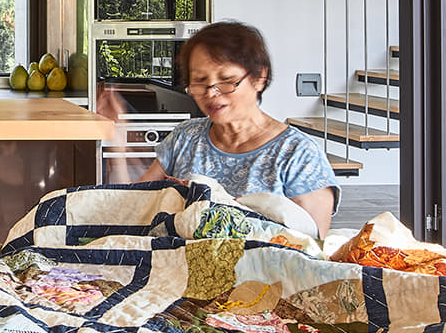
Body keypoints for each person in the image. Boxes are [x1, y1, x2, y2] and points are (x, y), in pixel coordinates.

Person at [137, 20, 338, 238]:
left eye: (227, 80)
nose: (211, 93)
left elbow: (312, 248)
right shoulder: (185, 138)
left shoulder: (299, 155)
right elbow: (139, 206)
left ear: (259, 78)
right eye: (200, 80)